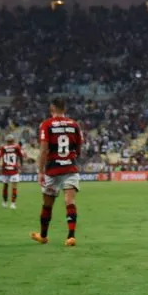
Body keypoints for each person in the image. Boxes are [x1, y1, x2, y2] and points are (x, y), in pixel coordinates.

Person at [30, 98, 84, 247]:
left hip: (53, 169)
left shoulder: (46, 125)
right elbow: (79, 148)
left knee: (47, 205)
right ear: (64, 109)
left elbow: (43, 150)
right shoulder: (74, 125)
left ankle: (43, 236)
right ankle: (71, 236)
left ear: (51, 109)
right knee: (70, 202)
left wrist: (40, 172)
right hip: (70, 168)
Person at [0, 134, 26, 210]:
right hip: (14, 170)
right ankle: (13, 204)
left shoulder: (3, 147)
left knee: (5, 186)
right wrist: (21, 165)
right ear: (13, 140)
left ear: (6, 141)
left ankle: (5, 203)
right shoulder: (17, 147)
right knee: (14, 187)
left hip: (5, 169)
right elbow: (22, 156)